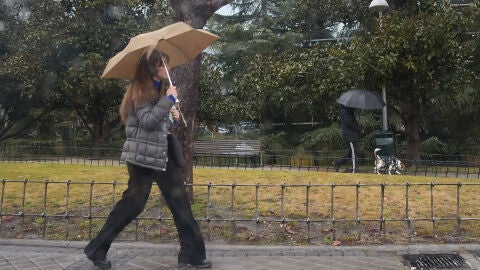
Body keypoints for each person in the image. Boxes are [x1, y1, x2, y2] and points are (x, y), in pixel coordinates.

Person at [84, 49, 211, 269]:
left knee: (178, 203)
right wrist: (169, 100)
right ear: (153, 67)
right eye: (165, 64)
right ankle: (97, 249)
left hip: (158, 156)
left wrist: (172, 116)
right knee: (134, 205)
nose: (169, 68)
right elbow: (147, 121)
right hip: (145, 159)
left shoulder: (154, 88)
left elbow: (157, 125)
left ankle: (191, 255)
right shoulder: (141, 89)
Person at [333, 105, 362, 173]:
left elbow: (352, 122)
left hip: (351, 135)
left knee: (350, 154)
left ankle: (337, 163)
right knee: (354, 152)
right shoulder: (346, 112)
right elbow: (349, 123)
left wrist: (358, 123)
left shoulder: (349, 111)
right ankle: (355, 169)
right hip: (349, 136)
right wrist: (358, 128)